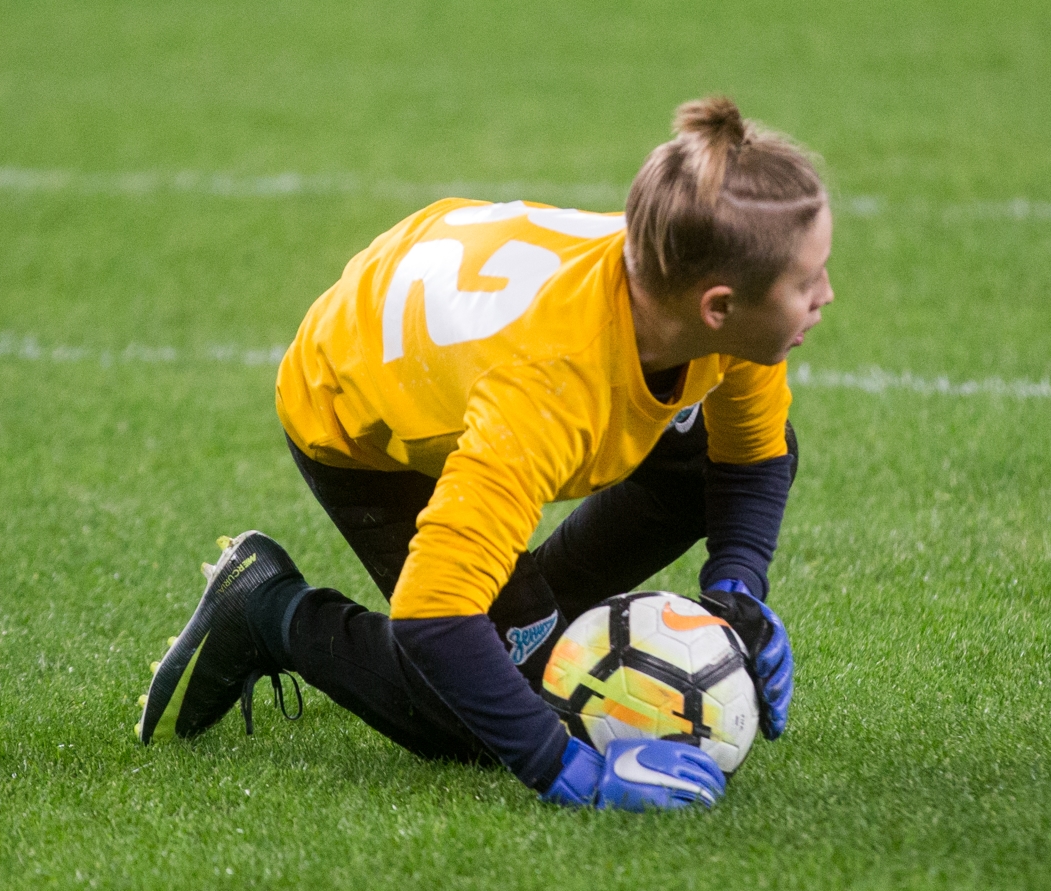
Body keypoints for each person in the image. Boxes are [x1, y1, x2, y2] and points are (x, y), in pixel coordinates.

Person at [135, 97, 834, 811]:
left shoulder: (700, 294)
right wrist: (567, 770)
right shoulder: (548, 389)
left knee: (694, 471)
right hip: (356, 410)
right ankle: (267, 608)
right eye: (807, 284)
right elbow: (433, 615)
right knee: (472, 714)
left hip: (446, 326)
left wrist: (736, 592)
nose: (827, 296)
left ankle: (529, 628)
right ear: (717, 305)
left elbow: (750, 456)